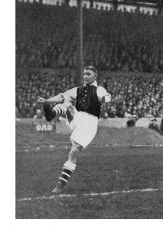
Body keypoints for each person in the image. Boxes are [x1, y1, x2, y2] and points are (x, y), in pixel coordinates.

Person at [37, 65, 112, 194]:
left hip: (89, 124)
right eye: (84, 74)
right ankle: (49, 113)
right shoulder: (77, 90)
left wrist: (106, 99)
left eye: (88, 74)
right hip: (78, 119)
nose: (85, 76)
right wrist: (47, 101)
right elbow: (62, 96)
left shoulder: (99, 89)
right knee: (67, 104)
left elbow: (105, 96)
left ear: (95, 76)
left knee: (73, 152)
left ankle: (60, 185)